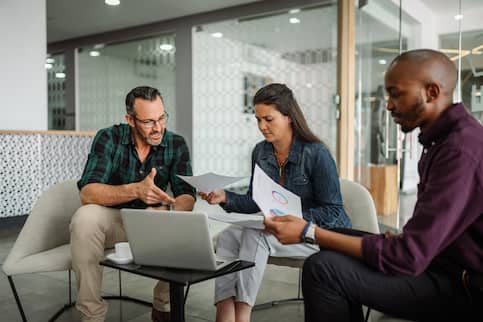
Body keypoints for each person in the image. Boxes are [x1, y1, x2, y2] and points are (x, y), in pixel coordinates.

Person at [265, 49, 483, 322]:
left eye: (396, 93)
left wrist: (310, 232)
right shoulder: (441, 141)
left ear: (431, 92)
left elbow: (408, 257)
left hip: (461, 287)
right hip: (437, 262)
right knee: (335, 242)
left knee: (322, 268)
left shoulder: (461, 150)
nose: (389, 105)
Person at [199, 83, 352, 322]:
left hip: (321, 235)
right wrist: (225, 197)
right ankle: (225, 313)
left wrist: (294, 221)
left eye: (268, 119)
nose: (262, 127)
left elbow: (333, 211)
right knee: (229, 235)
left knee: (256, 235)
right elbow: (254, 201)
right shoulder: (260, 152)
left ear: (289, 117)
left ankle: (243, 316)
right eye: (258, 120)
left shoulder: (316, 153)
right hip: (280, 230)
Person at [71, 86, 196, 322]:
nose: (158, 127)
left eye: (161, 118)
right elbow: (88, 192)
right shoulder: (108, 138)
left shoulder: (176, 143)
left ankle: (164, 304)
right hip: (115, 222)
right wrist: (135, 190)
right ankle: (92, 315)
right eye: (149, 121)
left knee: (190, 224)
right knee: (84, 218)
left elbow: (186, 195)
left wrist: (167, 209)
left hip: (154, 222)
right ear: (130, 119)